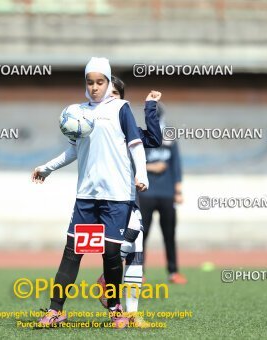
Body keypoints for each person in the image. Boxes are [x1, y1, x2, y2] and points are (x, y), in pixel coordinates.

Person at [31, 57, 149, 328]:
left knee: (110, 254)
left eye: (100, 82)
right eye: (90, 82)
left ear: (108, 83)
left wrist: (140, 174)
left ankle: (116, 311)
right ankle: (55, 310)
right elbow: (73, 150)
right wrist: (47, 168)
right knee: (72, 253)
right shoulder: (78, 112)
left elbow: (135, 145)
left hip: (117, 196)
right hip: (86, 196)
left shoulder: (121, 108)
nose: (95, 87)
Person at [96, 76, 162, 327]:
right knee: (129, 241)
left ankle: (131, 314)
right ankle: (108, 281)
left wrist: (150, 107)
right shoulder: (95, 125)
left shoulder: (127, 128)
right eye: (106, 94)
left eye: (115, 94)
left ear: (122, 99)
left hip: (127, 196)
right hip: (104, 198)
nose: (110, 98)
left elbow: (154, 140)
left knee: (136, 247)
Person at [139, 103, 186, 284]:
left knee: (169, 235)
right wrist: (151, 166)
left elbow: (176, 164)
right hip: (146, 193)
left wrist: (178, 190)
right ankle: (138, 272)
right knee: (141, 235)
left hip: (167, 194)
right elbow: (132, 163)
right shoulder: (142, 136)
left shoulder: (169, 136)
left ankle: (173, 272)